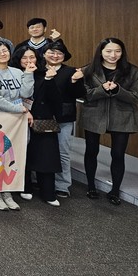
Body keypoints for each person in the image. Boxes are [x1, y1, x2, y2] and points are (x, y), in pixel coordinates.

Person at [82, 38, 138, 206]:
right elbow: (85, 94)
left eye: (117, 51)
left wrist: (118, 90)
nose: (113, 55)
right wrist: (101, 90)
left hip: (122, 116)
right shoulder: (88, 70)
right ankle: (91, 186)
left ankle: (115, 190)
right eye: (108, 51)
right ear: (101, 52)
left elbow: (137, 97)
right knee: (91, 151)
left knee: (118, 154)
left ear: (122, 52)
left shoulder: (134, 72)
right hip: (94, 114)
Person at [0, 41, 35, 211]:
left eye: (5, 50)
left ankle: (8, 192)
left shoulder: (17, 72)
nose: (2, 54)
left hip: (16, 121)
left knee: (13, 157)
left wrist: (28, 74)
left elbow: (26, 93)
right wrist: (20, 109)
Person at [11, 46, 62, 206]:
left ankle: (49, 192)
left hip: (43, 120)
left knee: (46, 156)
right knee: (23, 155)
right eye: (24, 58)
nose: (28, 61)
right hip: (19, 119)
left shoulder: (45, 73)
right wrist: (25, 110)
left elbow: (55, 99)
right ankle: (25, 187)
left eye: (32, 57)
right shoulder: (13, 74)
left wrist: (49, 80)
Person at [43, 41, 85, 198]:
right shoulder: (38, 69)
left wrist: (74, 81)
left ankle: (62, 184)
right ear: (44, 54)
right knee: (41, 150)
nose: (55, 56)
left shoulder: (71, 71)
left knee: (62, 151)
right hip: (41, 116)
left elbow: (80, 94)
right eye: (51, 52)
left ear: (64, 56)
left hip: (63, 118)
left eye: (59, 53)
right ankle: (39, 180)